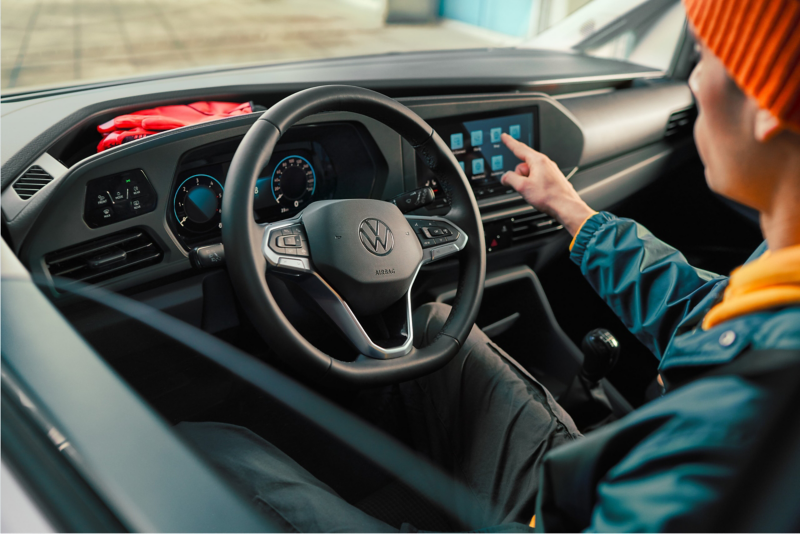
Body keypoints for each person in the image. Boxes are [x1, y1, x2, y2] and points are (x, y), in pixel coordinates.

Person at [178, 0, 800, 530]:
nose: (695, 82)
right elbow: (705, 312)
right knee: (427, 326)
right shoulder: (781, 283)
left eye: (710, 57)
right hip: (596, 484)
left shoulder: (750, 413)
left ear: (770, 106)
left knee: (209, 452)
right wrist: (573, 210)